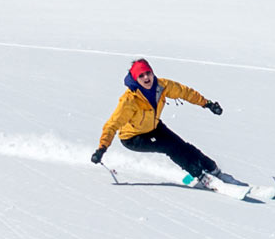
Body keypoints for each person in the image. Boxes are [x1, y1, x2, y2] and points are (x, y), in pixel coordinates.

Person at [92, 58, 236, 186]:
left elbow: (185, 92)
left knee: (181, 145)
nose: (146, 77)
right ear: (136, 79)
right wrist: (102, 148)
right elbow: (112, 124)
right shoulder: (129, 100)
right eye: (141, 76)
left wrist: (207, 104)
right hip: (133, 138)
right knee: (170, 147)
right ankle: (201, 176)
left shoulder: (162, 86)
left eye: (148, 73)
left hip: (154, 127)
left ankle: (211, 167)